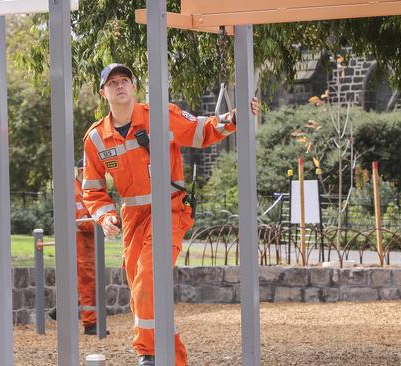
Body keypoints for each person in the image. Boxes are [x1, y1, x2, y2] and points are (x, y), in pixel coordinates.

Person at [80, 63, 259, 366]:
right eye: (113, 83)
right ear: (103, 92)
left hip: (170, 209)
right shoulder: (96, 138)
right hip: (133, 218)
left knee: (147, 279)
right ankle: (172, 359)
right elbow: (92, 190)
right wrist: (105, 215)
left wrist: (234, 119)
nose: (120, 86)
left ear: (133, 87)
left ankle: (148, 354)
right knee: (141, 289)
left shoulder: (160, 116)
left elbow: (201, 131)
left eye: (125, 80)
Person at [49, 158, 102, 335]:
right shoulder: (76, 191)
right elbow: (83, 221)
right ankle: (90, 323)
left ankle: (62, 310)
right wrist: (103, 222)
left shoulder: (85, 189)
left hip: (84, 245)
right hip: (80, 246)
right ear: (80, 171)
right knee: (86, 283)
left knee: (79, 284)